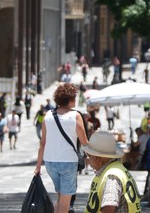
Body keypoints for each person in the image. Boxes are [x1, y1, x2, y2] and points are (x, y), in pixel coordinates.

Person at [35, 83, 89, 213]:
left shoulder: (48, 115)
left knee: (60, 198)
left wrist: (38, 166)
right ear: (70, 100)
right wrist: (94, 161)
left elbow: (42, 143)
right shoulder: (75, 115)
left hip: (50, 162)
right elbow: (84, 142)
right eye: (74, 98)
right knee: (65, 202)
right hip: (68, 162)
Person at [82, 131, 142, 212]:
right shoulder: (117, 170)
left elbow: (109, 207)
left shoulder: (111, 177)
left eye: (89, 155)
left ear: (97, 158)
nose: (88, 160)